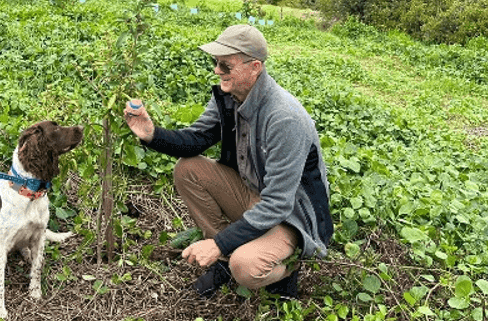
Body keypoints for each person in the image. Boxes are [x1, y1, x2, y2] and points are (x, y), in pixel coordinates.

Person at [123, 23, 333, 298]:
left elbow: (278, 203)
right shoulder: (231, 96)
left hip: (290, 215)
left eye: (226, 66)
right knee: (188, 169)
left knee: (244, 267)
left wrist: (218, 243)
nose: (217, 71)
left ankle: (287, 270)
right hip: (252, 193)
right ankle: (226, 256)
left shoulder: (284, 118)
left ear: (255, 67)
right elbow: (197, 139)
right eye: (216, 63)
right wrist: (152, 134)